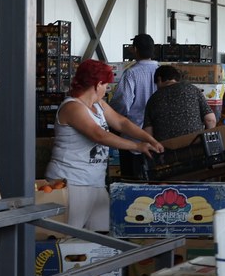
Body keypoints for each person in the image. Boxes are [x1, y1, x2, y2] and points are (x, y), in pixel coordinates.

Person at [48, 59, 163, 232]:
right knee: (68, 236)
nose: (107, 89)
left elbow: (122, 123)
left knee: (102, 235)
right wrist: (137, 146)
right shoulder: (72, 107)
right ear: (97, 84)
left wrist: (150, 139)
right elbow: (99, 135)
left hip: (95, 182)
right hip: (71, 181)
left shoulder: (98, 104)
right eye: (106, 85)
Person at [143, 64, 217, 141]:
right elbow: (210, 120)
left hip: (166, 146)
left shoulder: (153, 99)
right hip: (195, 144)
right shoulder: (192, 90)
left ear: (159, 79)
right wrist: (205, 140)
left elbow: (148, 132)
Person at [111, 34, 159, 127]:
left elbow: (123, 101)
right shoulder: (161, 70)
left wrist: (115, 116)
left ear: (135, 49)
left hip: (134, 127)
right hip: (157, 127)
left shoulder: (131, 73)